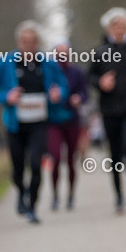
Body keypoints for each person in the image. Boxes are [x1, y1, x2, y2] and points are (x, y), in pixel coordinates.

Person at [0, 21, 68, 224]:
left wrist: (58, 94)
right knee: (17, 168)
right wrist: (7, 96)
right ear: (18, 42)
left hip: (40, 123)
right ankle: (21, 191)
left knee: (36, 164)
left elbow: (63, 86)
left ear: (38, 42)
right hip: (15, 124)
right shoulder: (6, 62)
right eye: (25, 41)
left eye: (32, 42)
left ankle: (32, 206)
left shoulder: (47, 63)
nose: (28, 45)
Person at [89, 7, 126, 214]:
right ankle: (118, 198)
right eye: (115, 26)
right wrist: (100, 82)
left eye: (122, 25)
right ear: (108, 28)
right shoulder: (99, 52)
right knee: (115, 156)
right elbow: (90, 78)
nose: (119, 29)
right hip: (110, 110)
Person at [47, 38, 88, 211]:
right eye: (59, 53)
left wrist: (79, 98)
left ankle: (71, 195)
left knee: (71, 160)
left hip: (72, 120)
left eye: (65, 53)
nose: (62, 56)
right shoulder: (48, 72)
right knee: (55, 158)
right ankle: (55, 195)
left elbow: (86, 94)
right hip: (53, 122)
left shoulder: (77, 72)